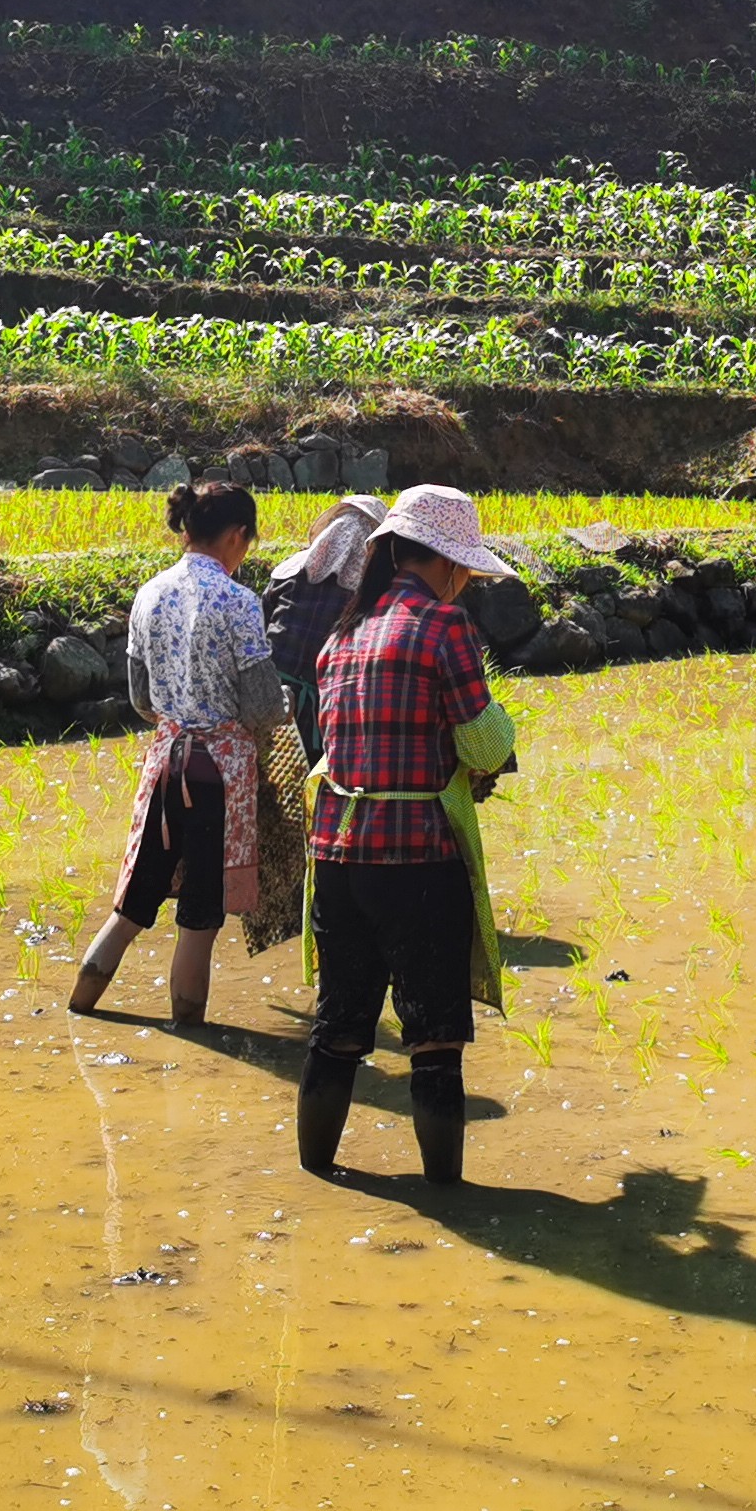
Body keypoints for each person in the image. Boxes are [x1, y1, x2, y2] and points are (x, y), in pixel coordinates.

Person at [295, 481, 520, 1188]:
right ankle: (447, 1197)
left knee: (339, 1026)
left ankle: (317, 1173)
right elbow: (483, 745)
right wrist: (492, 742)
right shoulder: (443, 626)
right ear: (450, 564)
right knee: (433, 1036)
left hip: (337, 853)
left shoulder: (344, 634)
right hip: (417, 857)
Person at [72, 479, 291, 1021]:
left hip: (166, 764)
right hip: (217, 775)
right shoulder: (238, 602)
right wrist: (283, 702)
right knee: (200, 918)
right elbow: (262, 707)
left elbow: (140, 698)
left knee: (131, 907)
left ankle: (79, 1010)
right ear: (238, 536)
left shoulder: (150, 592)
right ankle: (191, 1039)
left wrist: (182, 718)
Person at [265, 492, 387, 759]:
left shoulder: (288, 573)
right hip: (322, 705)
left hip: (267, 694)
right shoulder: (366, 593)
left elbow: (263, 627)